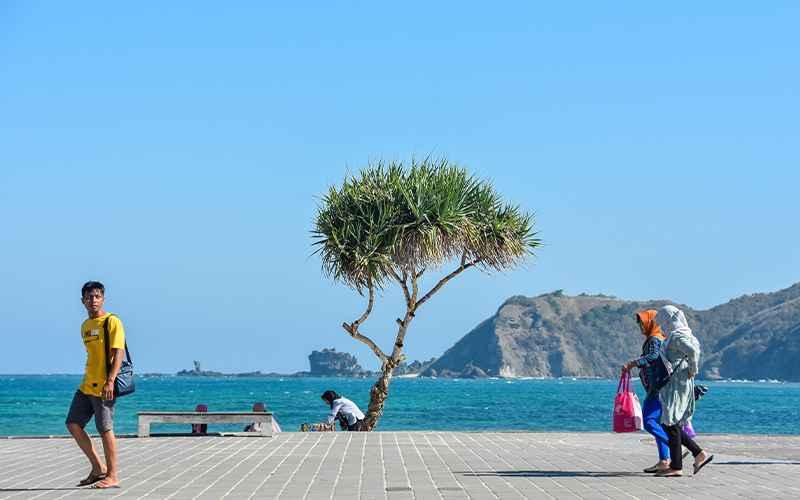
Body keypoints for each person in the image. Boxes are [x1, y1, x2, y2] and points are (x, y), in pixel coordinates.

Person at [66, 281, 125, 489]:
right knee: (73, 423)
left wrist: (110, 381)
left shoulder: (112, 322)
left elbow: (119, 353)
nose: (93, 300)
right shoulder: (85, 326)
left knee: (105, 429)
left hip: (104, 386)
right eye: (89, 297)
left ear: (103, 299)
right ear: (83, 301)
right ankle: (97, 468)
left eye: (97, 296)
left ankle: (113, 475)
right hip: (86, 384)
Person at [654, 305, 713, 477]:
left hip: (677, 384)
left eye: (663, 322)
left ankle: (677, 466)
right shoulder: (684, 334)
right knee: (672, 423)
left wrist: (693, 369)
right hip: (678, 383)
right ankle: (698, 454)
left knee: (669, 422)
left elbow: (693, 351)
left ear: (669, 320)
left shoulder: (677, 336)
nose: (661, 326)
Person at [622, 310, 675, 473]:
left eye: (641, 322)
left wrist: (633, 363)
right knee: (658, 423)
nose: (639, 326)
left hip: (657, 388)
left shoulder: (654, 339)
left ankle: (675, 449)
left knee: (649, 422)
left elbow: (652, 357)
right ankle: (665, 460)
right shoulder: (659, 338)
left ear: (649, 322)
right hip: (659, 387)